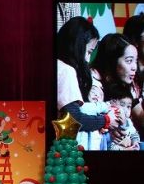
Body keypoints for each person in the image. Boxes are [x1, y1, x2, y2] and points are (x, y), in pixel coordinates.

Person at [57, 17, 120, 148]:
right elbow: (73, 119)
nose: (88, 59)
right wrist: (105, 120)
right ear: (78, 45)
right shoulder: (66, 70)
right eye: (89, 51)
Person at [93, 33, 142, 137]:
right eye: (129, 61)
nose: (134, 67)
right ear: (112, 61)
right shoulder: (94, 84)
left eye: (135, 61)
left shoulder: (127, 84)